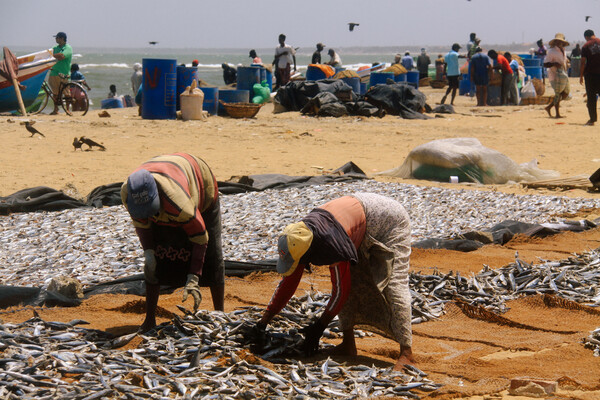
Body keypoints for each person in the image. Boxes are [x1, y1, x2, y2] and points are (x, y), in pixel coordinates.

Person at [251, 193, 415, 368]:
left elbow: (340, 291)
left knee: (393, 284)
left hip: (389, 220)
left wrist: (319, 326)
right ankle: (348, 345)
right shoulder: (298, 238)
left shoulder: (331, 245)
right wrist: (263, 322)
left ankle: (407, 353)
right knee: (351, 279)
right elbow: (289, 282)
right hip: (354, 222)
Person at [121, 153, 225, 333]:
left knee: (212, 257)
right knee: (157, 261)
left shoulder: (178, 202)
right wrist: (149, 253)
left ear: (158, 196)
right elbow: (143, 227)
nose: (149, 216)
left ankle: (221, 316)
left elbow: (201, 237)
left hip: (201, 182)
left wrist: (194, 276)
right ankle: (149, 320)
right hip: (173, 176)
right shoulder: (128, 194)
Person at [543, 33, 571, 118]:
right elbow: (545, 64)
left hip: (563, 75)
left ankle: (549, 107)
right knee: (558, 94)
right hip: (554, 76)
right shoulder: (551, 51)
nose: (559, 43)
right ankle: (557, 114)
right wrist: (554, 63)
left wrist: (567, 62)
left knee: (566, 93)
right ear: (555, 42)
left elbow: (564, 60)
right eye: (558, 41)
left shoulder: (563, 50)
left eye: (561, 41)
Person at [580, 29, 600, 126]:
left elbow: (583, 62)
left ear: (586, 37)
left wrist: (581, 76)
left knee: (591, 97)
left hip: (591, 74)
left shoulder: (585, 46)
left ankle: (592, 120)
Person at [49, 31, 73, 115]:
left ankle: (67, 110)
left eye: (57, 37)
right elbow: (50, 54)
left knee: (66, 93)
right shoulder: (55, 47)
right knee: (55, 93)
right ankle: (56, 110)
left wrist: (52, 55)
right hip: (54, 73)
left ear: (62, 38)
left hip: (64, 73)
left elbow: (62, 56)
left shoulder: (68, 47)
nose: (56, 39)